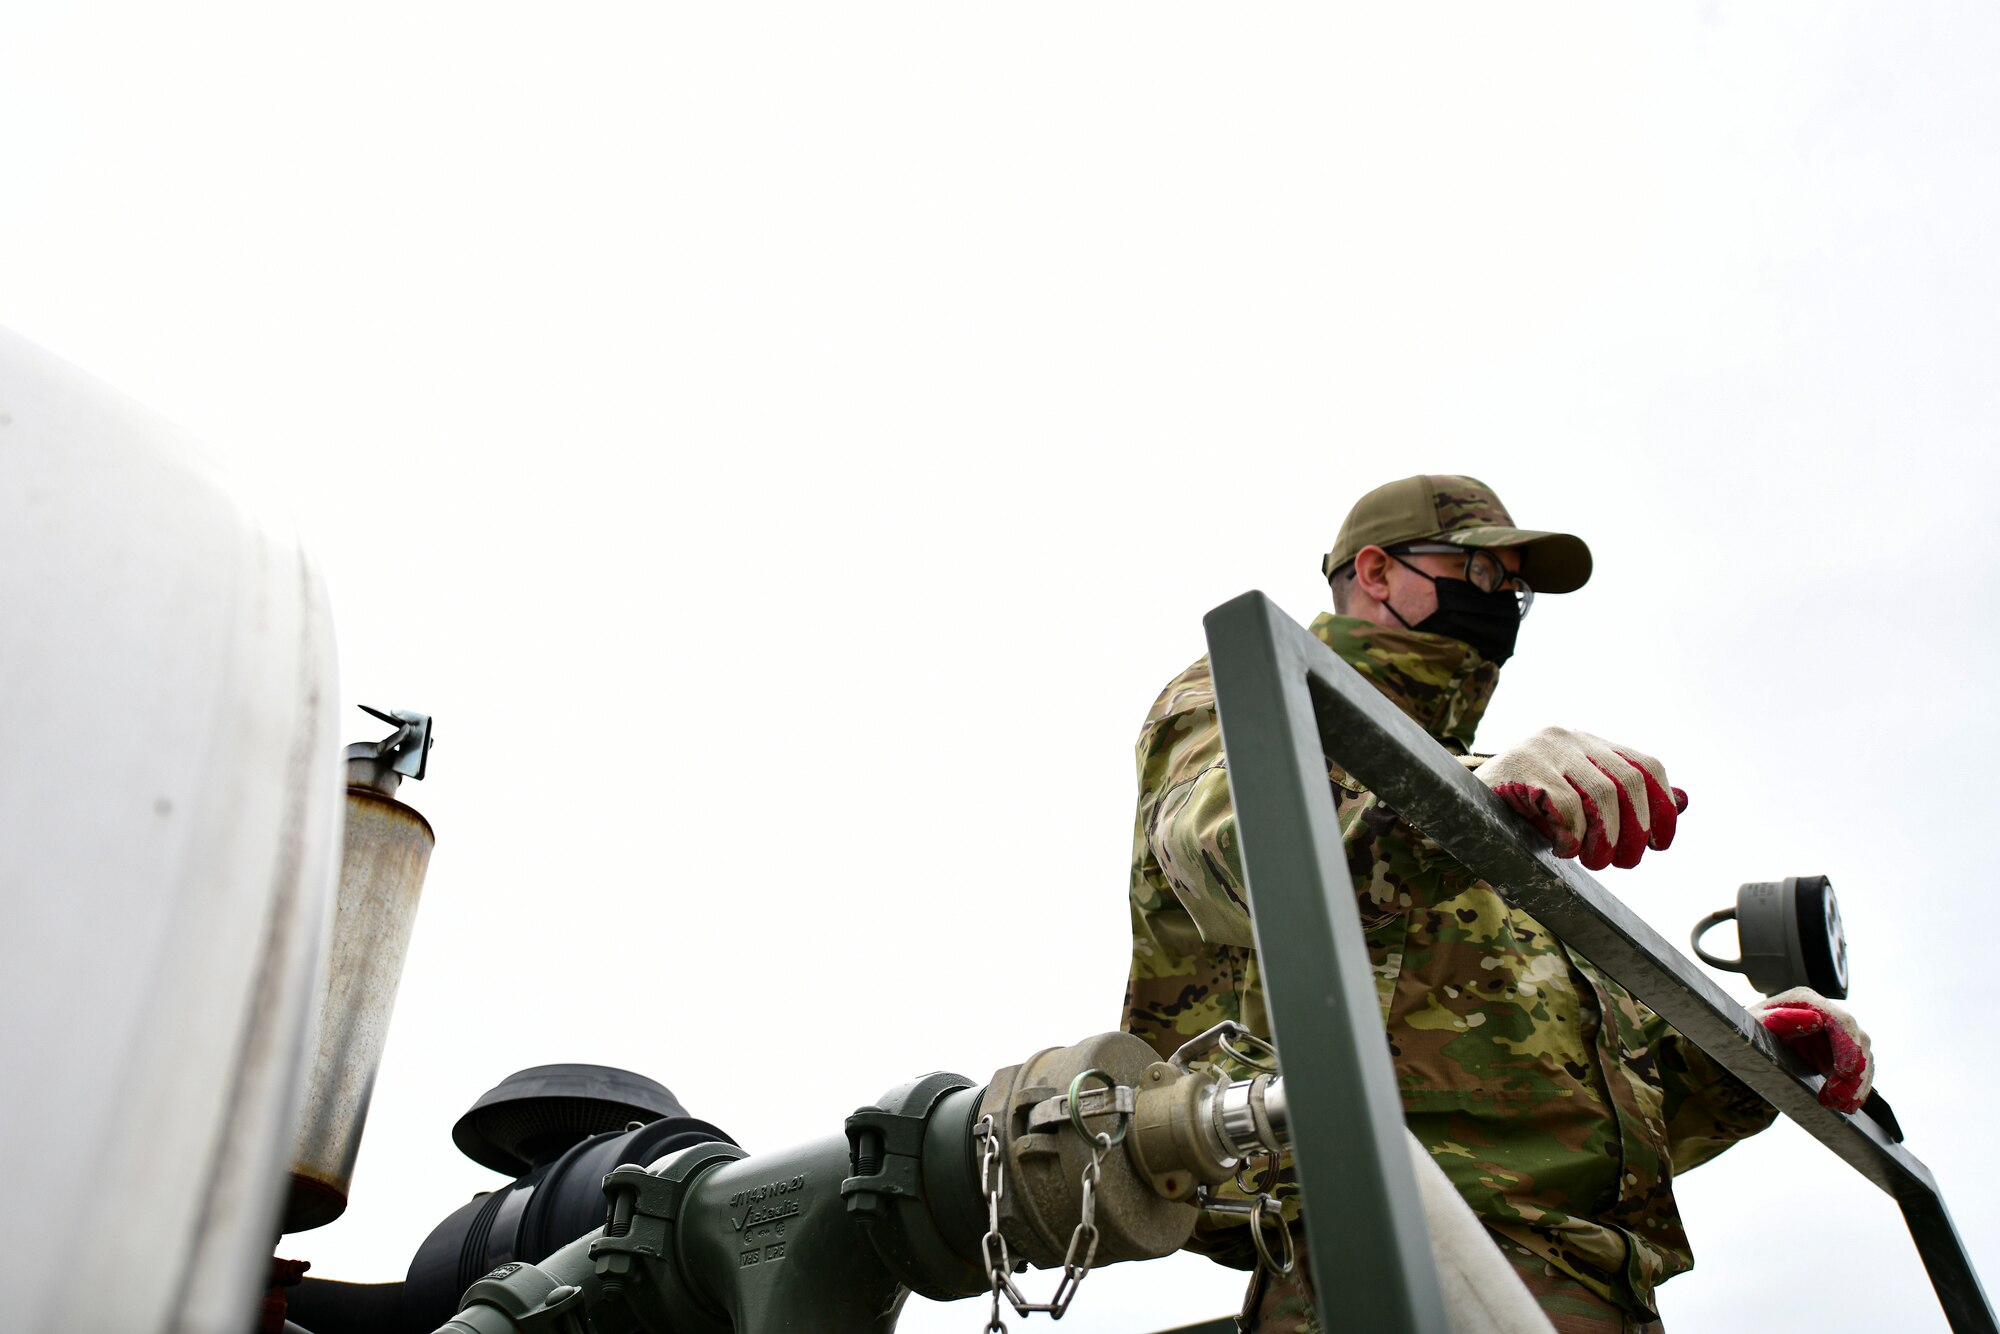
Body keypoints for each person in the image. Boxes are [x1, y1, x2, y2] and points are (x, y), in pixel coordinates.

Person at [1120, 475, 1873, 1334]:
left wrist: (1746, 1059)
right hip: (1400, 1259)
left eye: (1516, 589)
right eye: (1481, 573)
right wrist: (1462, 801)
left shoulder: (1499, 810)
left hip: (1597, 1288)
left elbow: (1577, 1099)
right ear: (1377, 571)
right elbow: (1237, 851)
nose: (1503, 602)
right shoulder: (1253, 696)